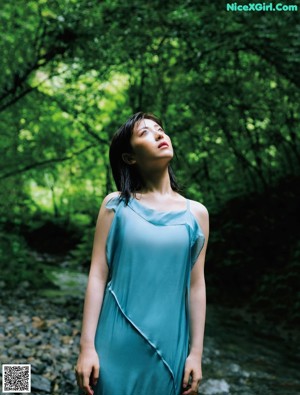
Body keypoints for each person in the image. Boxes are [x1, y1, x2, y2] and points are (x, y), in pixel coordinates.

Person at [74, 112, 209, 395]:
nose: (160, 134)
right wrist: (87, 347)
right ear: (130, 157)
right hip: (114, 345)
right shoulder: (115, 205)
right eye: (146, 133)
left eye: (160, 129)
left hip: (171, 347)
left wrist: (195, 354)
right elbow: (98, 275)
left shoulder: (196, 214)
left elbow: (196, 286)